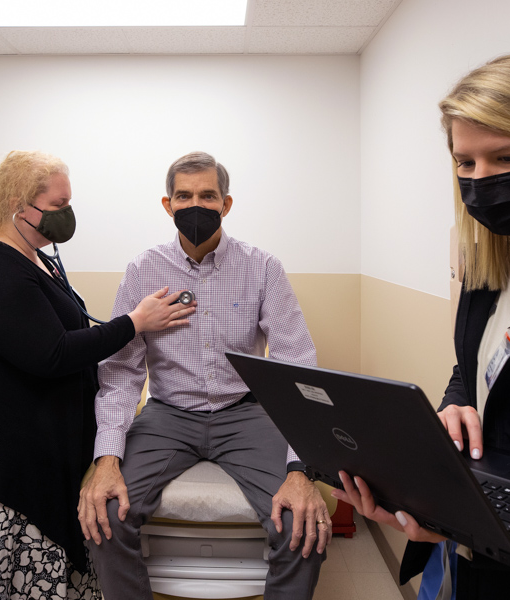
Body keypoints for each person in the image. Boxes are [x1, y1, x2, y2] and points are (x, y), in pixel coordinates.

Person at [333, 53, 510, 598]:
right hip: (476, 558)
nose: (481, 181)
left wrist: (491, 530)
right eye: (465, 163)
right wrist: (455, 404)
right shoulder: (489, 269)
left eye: (507, 156)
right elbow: (480, 367)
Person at [0, 151, 194, 600]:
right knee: (15, 578)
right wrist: (135, 321)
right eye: (57, 206)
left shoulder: (32, 256)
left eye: (69, 203)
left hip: (41, 453)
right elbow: (51, 353)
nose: (65, 216)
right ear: (18, 204)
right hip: (3, 470)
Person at [80, 151, 330, 600]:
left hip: (247, 413)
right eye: (184, 195)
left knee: (302, 523)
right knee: (106, 516)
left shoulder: (263, 267)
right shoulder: (143, 270)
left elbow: (297, 364)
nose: (196, 204)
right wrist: (106, 459)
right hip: (167, 414)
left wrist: (300, 467)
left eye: (208, 195)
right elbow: (121, 371)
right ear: (167, 204)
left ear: (226, 204)